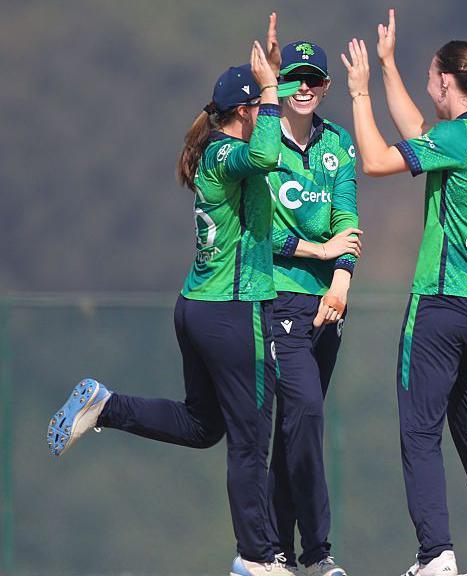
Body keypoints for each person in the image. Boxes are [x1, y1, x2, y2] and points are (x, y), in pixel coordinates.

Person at [46, 18, 299, 576]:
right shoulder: (225, 155)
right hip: (235, 312)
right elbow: (264, 155)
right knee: (250, 440)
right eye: (262, 106)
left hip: (200, 309)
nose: (270, 114)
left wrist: (272, 79)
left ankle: (105, 406)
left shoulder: (224, 146)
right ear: (245, 113)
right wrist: (272, 91)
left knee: (203, 426)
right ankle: (258, 559)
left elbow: (260, 210)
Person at [339, 10, 467, 576]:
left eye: (430, 79)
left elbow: (377, 161)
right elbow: (422, 135)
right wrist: (388, 67)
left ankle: (436, 557)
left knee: (418, 429)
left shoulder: (456, 137)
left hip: (441, 303)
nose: (429, 89)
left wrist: (358, 94)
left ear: (447, 82)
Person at [264, 37, 362, 576]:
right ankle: (318, 553)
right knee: (305, 412)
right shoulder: (263, 143)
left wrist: (341, 281)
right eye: (294, 77)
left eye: (314, 79)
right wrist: (317, 250)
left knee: (295, 424)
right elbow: (262, 233)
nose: (304, 87)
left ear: (325, 88)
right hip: (278, 295)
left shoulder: (338, 144)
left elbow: (347, 217)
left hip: (329, 302)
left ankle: (275, 549)